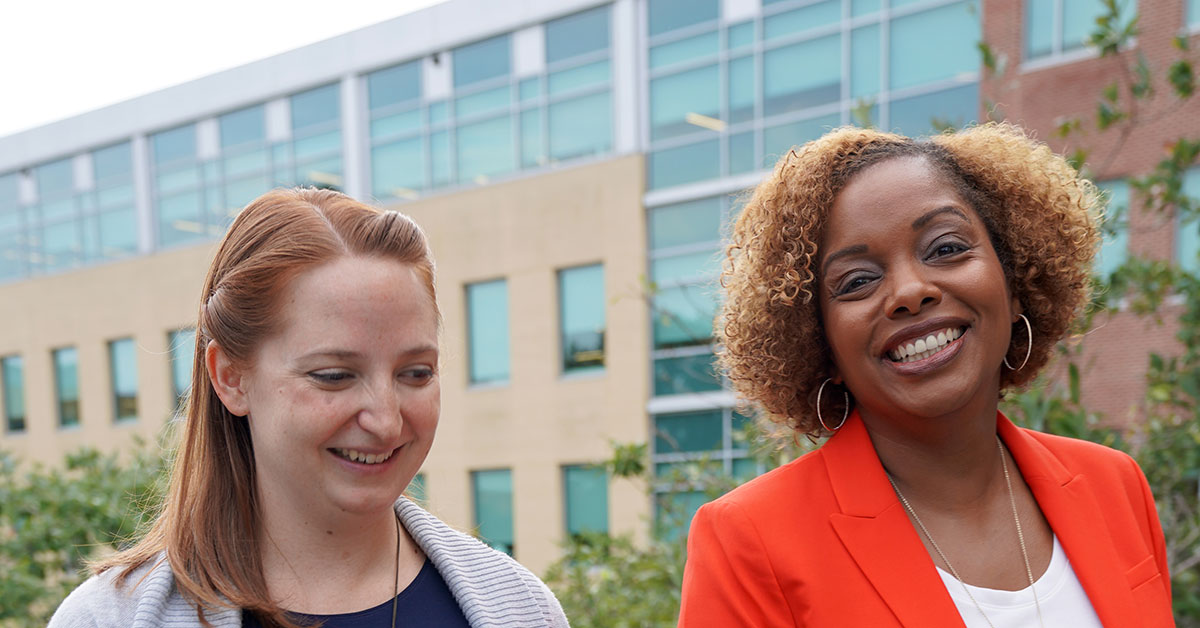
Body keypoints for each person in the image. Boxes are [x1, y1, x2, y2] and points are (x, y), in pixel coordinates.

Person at [678, 123, 1174, 627]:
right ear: (819, 344)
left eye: (945, 248)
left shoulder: (1114, 485)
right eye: (857, 281)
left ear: (1015, 279)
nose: (911, 292)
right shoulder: (751, 540)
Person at [49, 188, 569, 628]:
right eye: (334, 376)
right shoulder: (105, 618)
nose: (385, 421)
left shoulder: (524, 610)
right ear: (230, 378)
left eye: (416, 373)